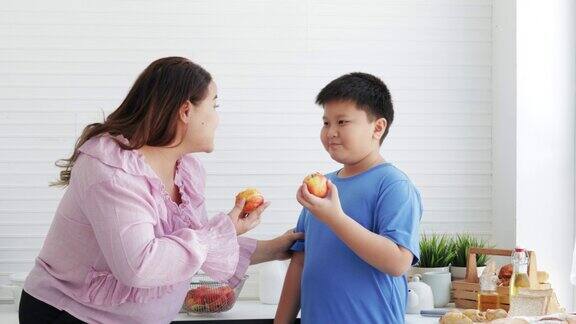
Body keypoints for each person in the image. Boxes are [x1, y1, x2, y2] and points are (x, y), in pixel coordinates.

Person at [19, 57, 302, 324]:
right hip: (71, 315)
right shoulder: (112, 169)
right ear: (186, 111)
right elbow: (139, 265)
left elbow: (189, 248)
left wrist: (276, 248)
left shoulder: (186, 170)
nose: (217, 119)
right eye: (214, 106)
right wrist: (221, 230)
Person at [275, 72, 422, 323]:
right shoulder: (323, 187)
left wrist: (335, 218)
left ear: (378, 127)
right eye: (326, 122)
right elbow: (299, 263)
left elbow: (398, 262)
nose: (331, 132)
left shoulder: (394, 185)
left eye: (342, 122)